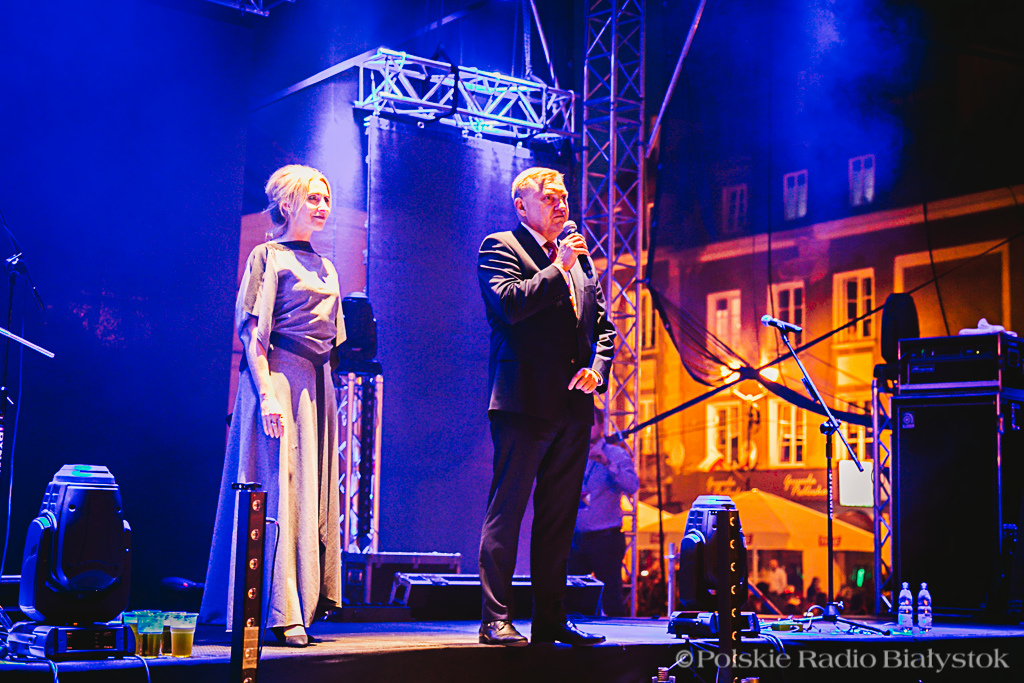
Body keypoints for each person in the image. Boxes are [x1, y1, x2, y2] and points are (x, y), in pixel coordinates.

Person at [200, 164, 346, 648]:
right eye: (313, 198)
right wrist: (266, 394)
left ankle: (304, 601)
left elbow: (333, 340)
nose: (322, 206)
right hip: (277, 379)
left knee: (309, 493)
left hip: (315, 387)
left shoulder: (328, 267)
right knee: (277, 489)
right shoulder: (266, 256)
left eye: (326, 198)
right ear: (287, 204)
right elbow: (252, 333)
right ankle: (279, 610)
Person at [477, 167, 616, 646]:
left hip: (573, 407)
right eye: (550, 198)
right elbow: (511, 305)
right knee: (508, 511)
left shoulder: (580, 260)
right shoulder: (501, 247)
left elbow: (603, 327)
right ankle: (495, 619)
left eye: (564, 198)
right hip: (523, 400)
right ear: (522, 205)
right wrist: (558, 266)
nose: (561, 206)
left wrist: (597, 369)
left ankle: (552, 621)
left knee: (559, 519)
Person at [568, 408, 639, 617]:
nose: (585, 426)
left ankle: (620, 636)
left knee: (611, 598)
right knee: (571, 598)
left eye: (590, 422)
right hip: (574, 537)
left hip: (605, 538)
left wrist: (608, 464)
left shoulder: (616, 454)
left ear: (600, 426)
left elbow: (632, 486)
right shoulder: (571, 452)